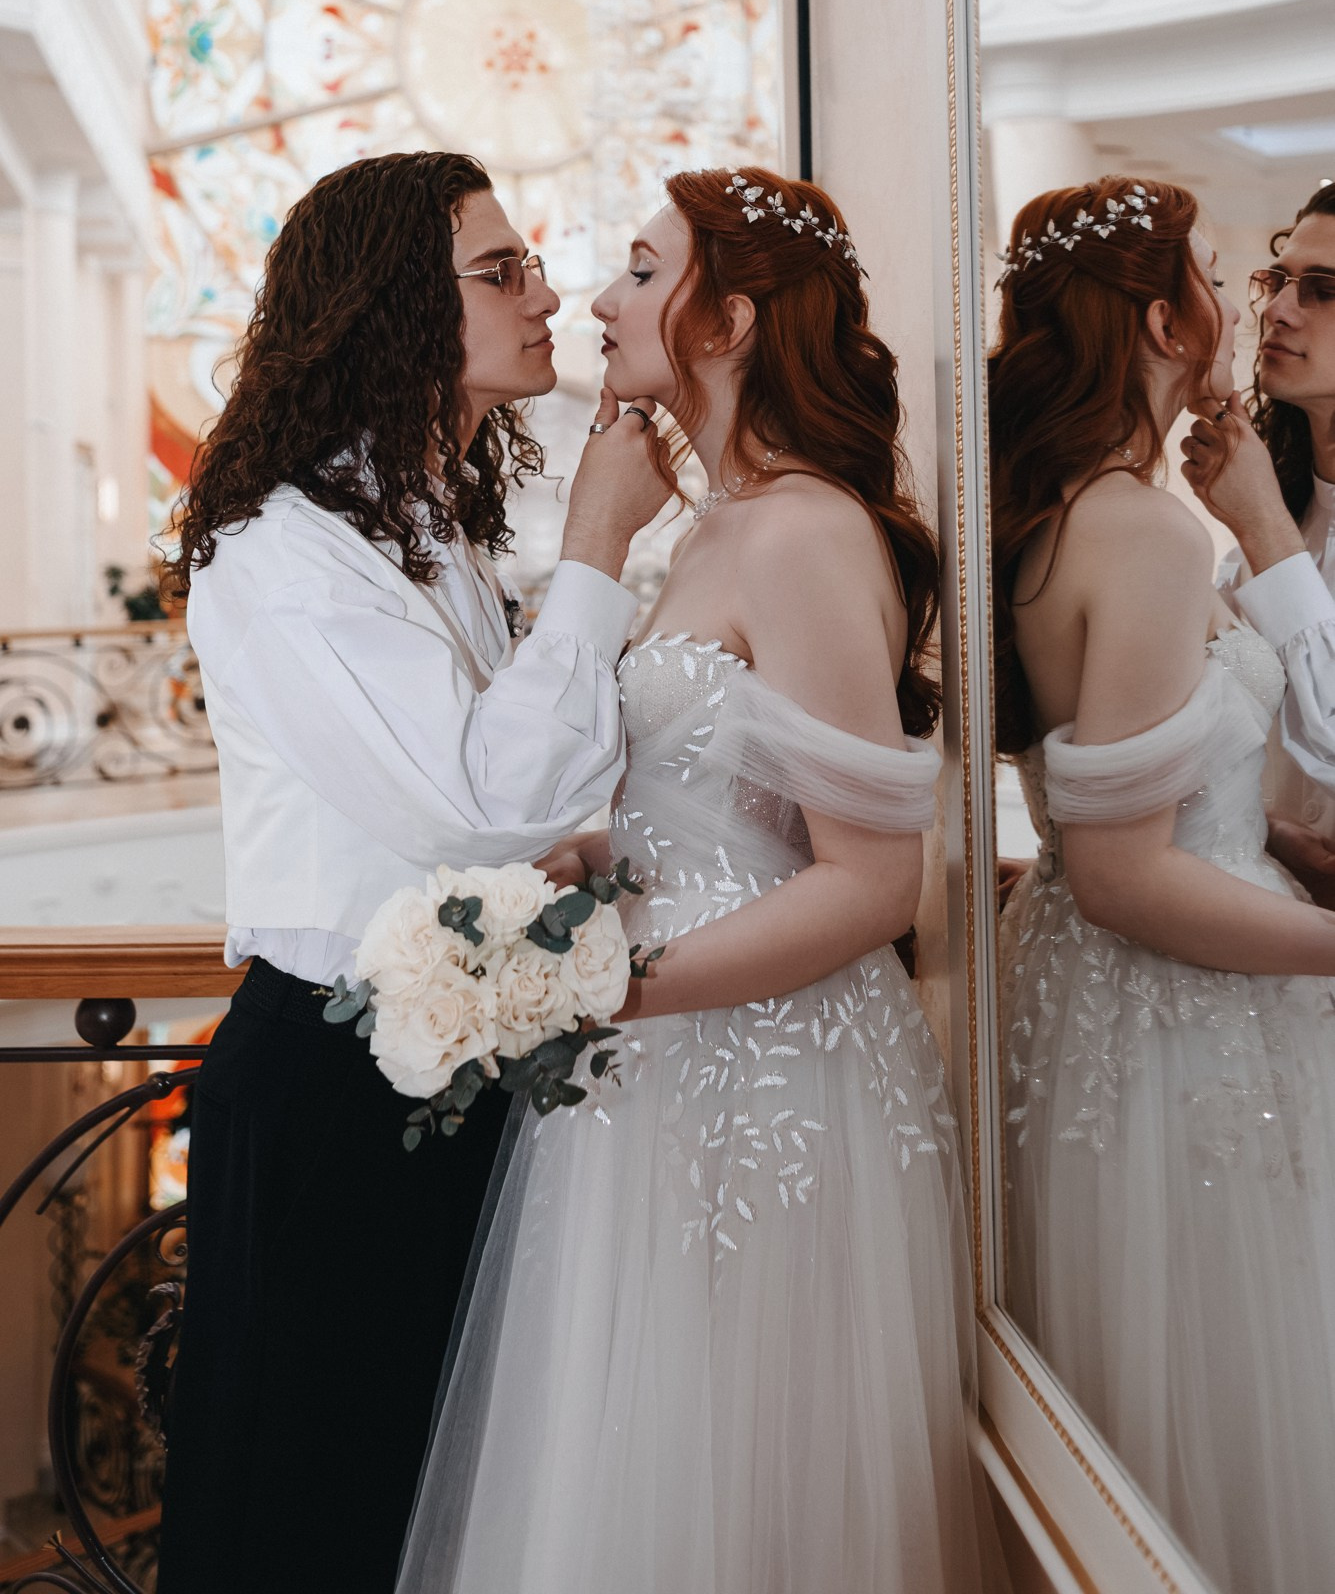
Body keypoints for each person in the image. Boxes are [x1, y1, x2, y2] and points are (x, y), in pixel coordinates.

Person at [394, 167, 997, 1594]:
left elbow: (870, 885)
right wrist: (590, 864)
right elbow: (726, 803)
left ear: (729, 321)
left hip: (767, 1073)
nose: (597, 300)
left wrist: (602, 982)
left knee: (747, 1484)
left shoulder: (801, 530)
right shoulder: (703, 527)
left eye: (639, 269)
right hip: (656, 1071)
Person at [155, 150, 672, 1594]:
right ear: (392, 304)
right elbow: (479, 801)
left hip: (446, 1066)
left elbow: (518, 796)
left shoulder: (426, 521)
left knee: (421, 1514)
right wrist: (597, 544)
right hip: (329, 1089)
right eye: (500, 271)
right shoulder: (284, 542)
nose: (547, 293)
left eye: (532, 263)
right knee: (307, 1520)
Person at [992, 175, 1335, 1594]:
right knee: (1224, 1381)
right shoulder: (1138, 527)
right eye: (1226, 274)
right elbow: (1127, 873)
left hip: (1116, 994)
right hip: (1182, 1015)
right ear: (1157, 317)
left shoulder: (1070, 505)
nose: (1251, 304)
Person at [1181, 180, 1335, 896]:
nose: (1275, 310)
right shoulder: (1286, 509)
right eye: (1279, 280)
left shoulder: (1268, 522)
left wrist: (1264, 524)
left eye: (1323, 290)